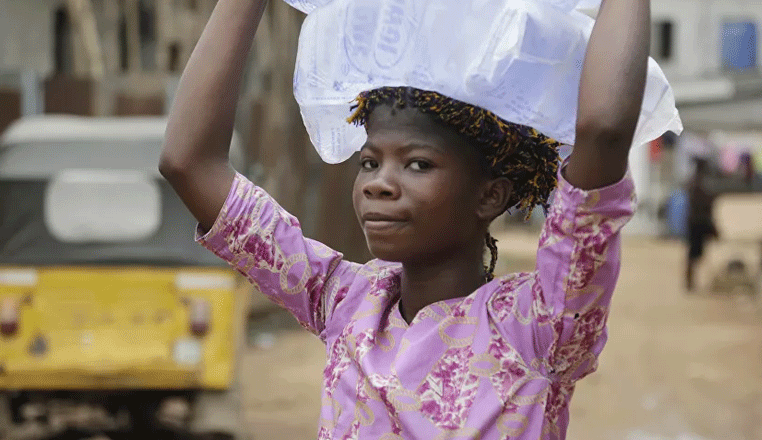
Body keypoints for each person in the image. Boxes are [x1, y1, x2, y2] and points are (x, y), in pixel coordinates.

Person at [160, 0, 651, 438]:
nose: (379, 182)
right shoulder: (346, 303)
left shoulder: (540, 327)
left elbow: (603, 132)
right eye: (369, 162)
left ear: (490, 195)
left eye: (417, 164)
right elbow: (189, 164)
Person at [685, 158, 718, 293]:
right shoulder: (701, 184)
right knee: (694, 254)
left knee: (695, 254)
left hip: (695, 222)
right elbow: (705, 206)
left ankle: (691, 281)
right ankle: (690, 281)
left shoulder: (694, 183)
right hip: (699, 223)